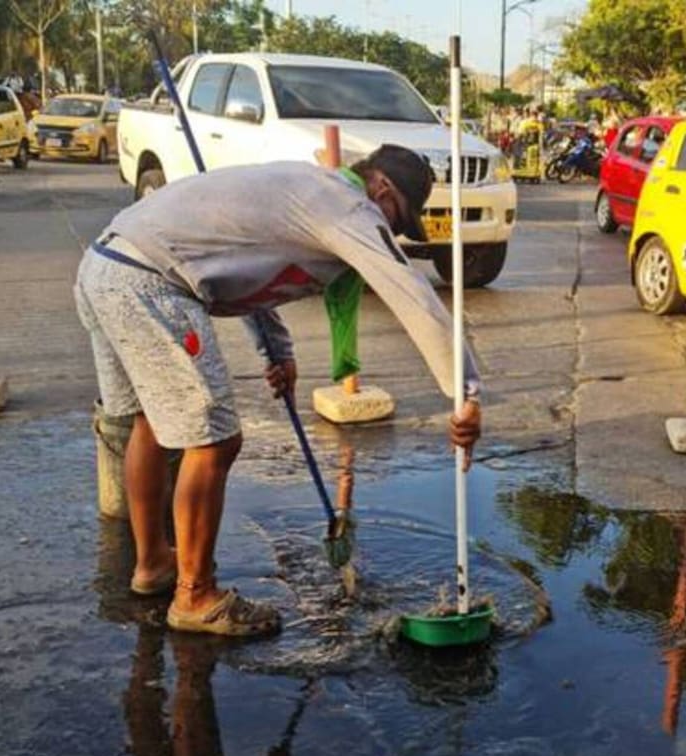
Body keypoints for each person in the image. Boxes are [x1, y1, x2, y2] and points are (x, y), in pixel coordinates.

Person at [75, 145, 483, 638]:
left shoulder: (307, 189)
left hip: (104, 266)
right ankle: (195, 596)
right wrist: (464, 393)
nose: (394, 232)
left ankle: (154, 564)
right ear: (382, 188)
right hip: (148, 283)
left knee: (150, 421)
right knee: (213, 439)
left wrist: (277, 352)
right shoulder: (348, 206)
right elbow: (411, 292)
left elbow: (241, 265)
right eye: (398, 218)